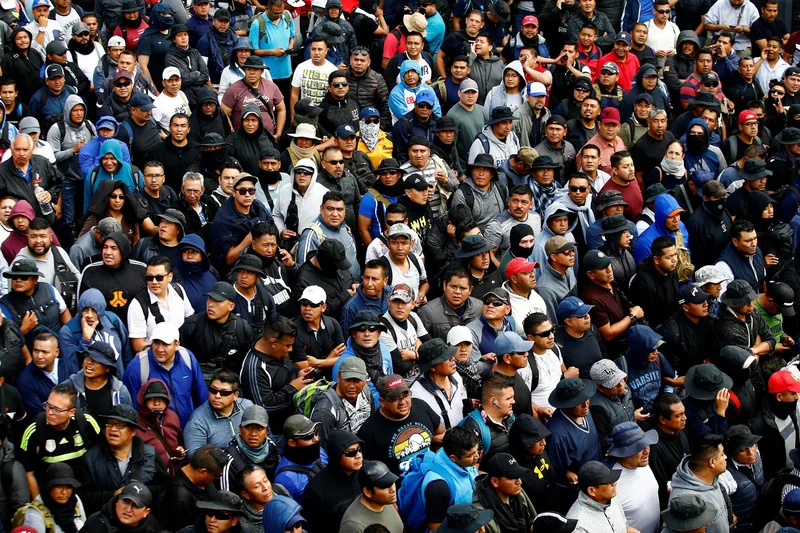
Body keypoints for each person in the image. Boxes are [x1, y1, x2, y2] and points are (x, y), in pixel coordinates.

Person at [78, 403, 170, 515]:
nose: (113, 429)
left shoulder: (150, 454)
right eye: (110, 423)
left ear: (133, 431)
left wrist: (139, 492)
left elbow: (165, 487)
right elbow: (82, 496)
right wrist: (113, 495)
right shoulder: (90, 458)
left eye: (120, 425)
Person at [18, 382, 102, 498]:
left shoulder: (86, 422)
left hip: (84, 490)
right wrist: (39, 503)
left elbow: (102, 455)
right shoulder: (34, 431)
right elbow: (29, 473)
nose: (50, 413)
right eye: (48, 406)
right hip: (49, 493)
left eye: (57, 409)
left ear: (71, 412)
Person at [122, 322, 209, 428]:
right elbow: (131, 408)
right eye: (156, 342)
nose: (160, 349)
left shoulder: (187, 357)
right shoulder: (137, 367)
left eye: (165, 344)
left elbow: (201, 396)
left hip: (189, 428)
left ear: (176, 345)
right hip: (157, 433)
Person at [358, 374, 444, 474]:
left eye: (405, 395)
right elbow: (366, 469)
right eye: (395, 398)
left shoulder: (421, 406)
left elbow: (441, 434)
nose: (402, 402)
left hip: (433, 475)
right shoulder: (369, 430)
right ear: (382, 401)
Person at [669, 434, 732, 533]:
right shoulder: (684, 499)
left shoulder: (712, 478)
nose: (726, 457)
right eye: (722, 454)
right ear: (712, 462)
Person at [303, 429, 364, 531]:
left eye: (359, 449)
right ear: (337, 455)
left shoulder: (367, 472)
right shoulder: (316, 490)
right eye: (351, 453)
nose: (358, 456)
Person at [183, 369, 254, 455]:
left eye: (224, 392)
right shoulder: (197, 421)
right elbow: (195, 456)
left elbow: (264, 435)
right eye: (213, 390)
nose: (217, 396)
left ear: (235, 395)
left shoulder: (247, 407)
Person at [158, 444, 228, 531]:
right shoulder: (180, 498)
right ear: (203, 472)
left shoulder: (203, 479)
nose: (216, 479)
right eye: (217, 476)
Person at [606, 422, 660, 533]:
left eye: (646, 444)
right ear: (623, 454)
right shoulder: (610, 482)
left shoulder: (642, 463)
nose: (647, 451)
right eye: (639, 448)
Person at [16, 332, 78, 416]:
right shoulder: (25, 380)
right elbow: (38, 413)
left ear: (56, 352)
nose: (39, 356)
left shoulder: (68, 366)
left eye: (45, 352)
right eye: (36, 351)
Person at [714, 279, 775, 357]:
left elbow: (771, 340)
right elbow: (747, 359)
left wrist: (755, 350)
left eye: (751, 299)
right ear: (734, 303)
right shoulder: (727, 328)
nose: (750, 304)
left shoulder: (754, 312)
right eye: (745, 302)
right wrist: (760, 345)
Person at [19, 462, 88, 532]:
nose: (64, 492)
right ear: (49, 487)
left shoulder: (75, 500)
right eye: (59, 486)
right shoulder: (34, 514)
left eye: (69, 487)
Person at [135, 379, 184, 476]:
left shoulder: (172, 417)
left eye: (161, 399)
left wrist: (181, 451)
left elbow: (180, 441)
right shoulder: (136, 423)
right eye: (151, 399)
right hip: (152, 476)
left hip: (175, 473)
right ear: (143, 401)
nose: (157, 403)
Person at [339, 460, 403, 533]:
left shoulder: (388, 500)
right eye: (384, 486)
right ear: (367, 492)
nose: (393, 490)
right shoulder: (353, 526)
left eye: (392, 482)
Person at [566, 461, 626, 533]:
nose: (614, 483)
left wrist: (626, 528)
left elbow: (624, 523)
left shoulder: (610, 496)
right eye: (608, 482)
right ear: (591, 491)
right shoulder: (578, 527)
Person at [80, 480, 161, 533]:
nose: (128, 509)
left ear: (146, 512)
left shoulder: (151, 525)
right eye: (126, 501)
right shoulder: (96, 525)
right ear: (117, 501)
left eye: (136, 505)